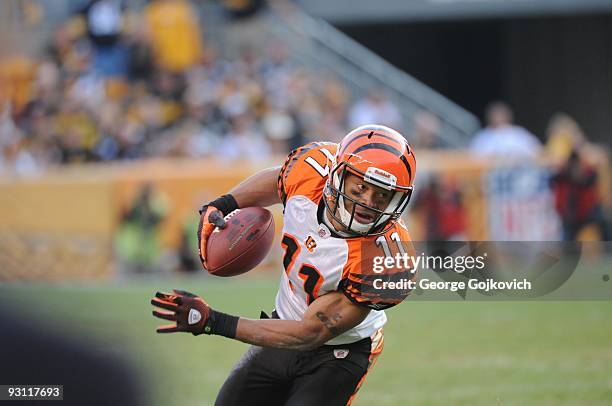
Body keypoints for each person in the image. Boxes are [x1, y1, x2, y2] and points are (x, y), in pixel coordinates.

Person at [151, 124, 417, 405]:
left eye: (382, 195)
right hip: (284, 321)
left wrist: (212, 321)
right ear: (339, 175)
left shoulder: (385, 259)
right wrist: (223, 204)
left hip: (341, 352)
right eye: (361, 187)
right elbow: (280, 180)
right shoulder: (311, 172)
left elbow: (310, 333)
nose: (368, 202)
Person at [470, 101, 541, 158]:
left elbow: (536, 152)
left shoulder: (519, 133)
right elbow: (473, 157)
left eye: (500, 114)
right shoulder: (482, 136)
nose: (497, 117)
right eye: (495, 115)